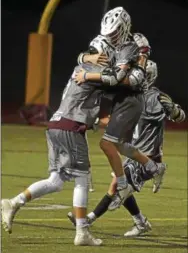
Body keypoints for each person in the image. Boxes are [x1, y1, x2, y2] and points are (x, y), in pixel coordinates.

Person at [1, 39, 116, 247]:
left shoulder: (81, 66)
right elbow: (117, 79)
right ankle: (82, 231)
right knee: (82, 177)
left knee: (55, 181)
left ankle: (13, 202)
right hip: (70, 127)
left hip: (56, 124)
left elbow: (84, 73)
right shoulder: (97, 73)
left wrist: (84, 57)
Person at [68, 60, 186, 237]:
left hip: (148, 155)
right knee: (121, 185)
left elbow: (179, 117)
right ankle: (140, 222)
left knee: (117, 185)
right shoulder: (132, 95)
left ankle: (89, 219)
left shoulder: (155, 97)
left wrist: (175, 110)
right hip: (133, 152)